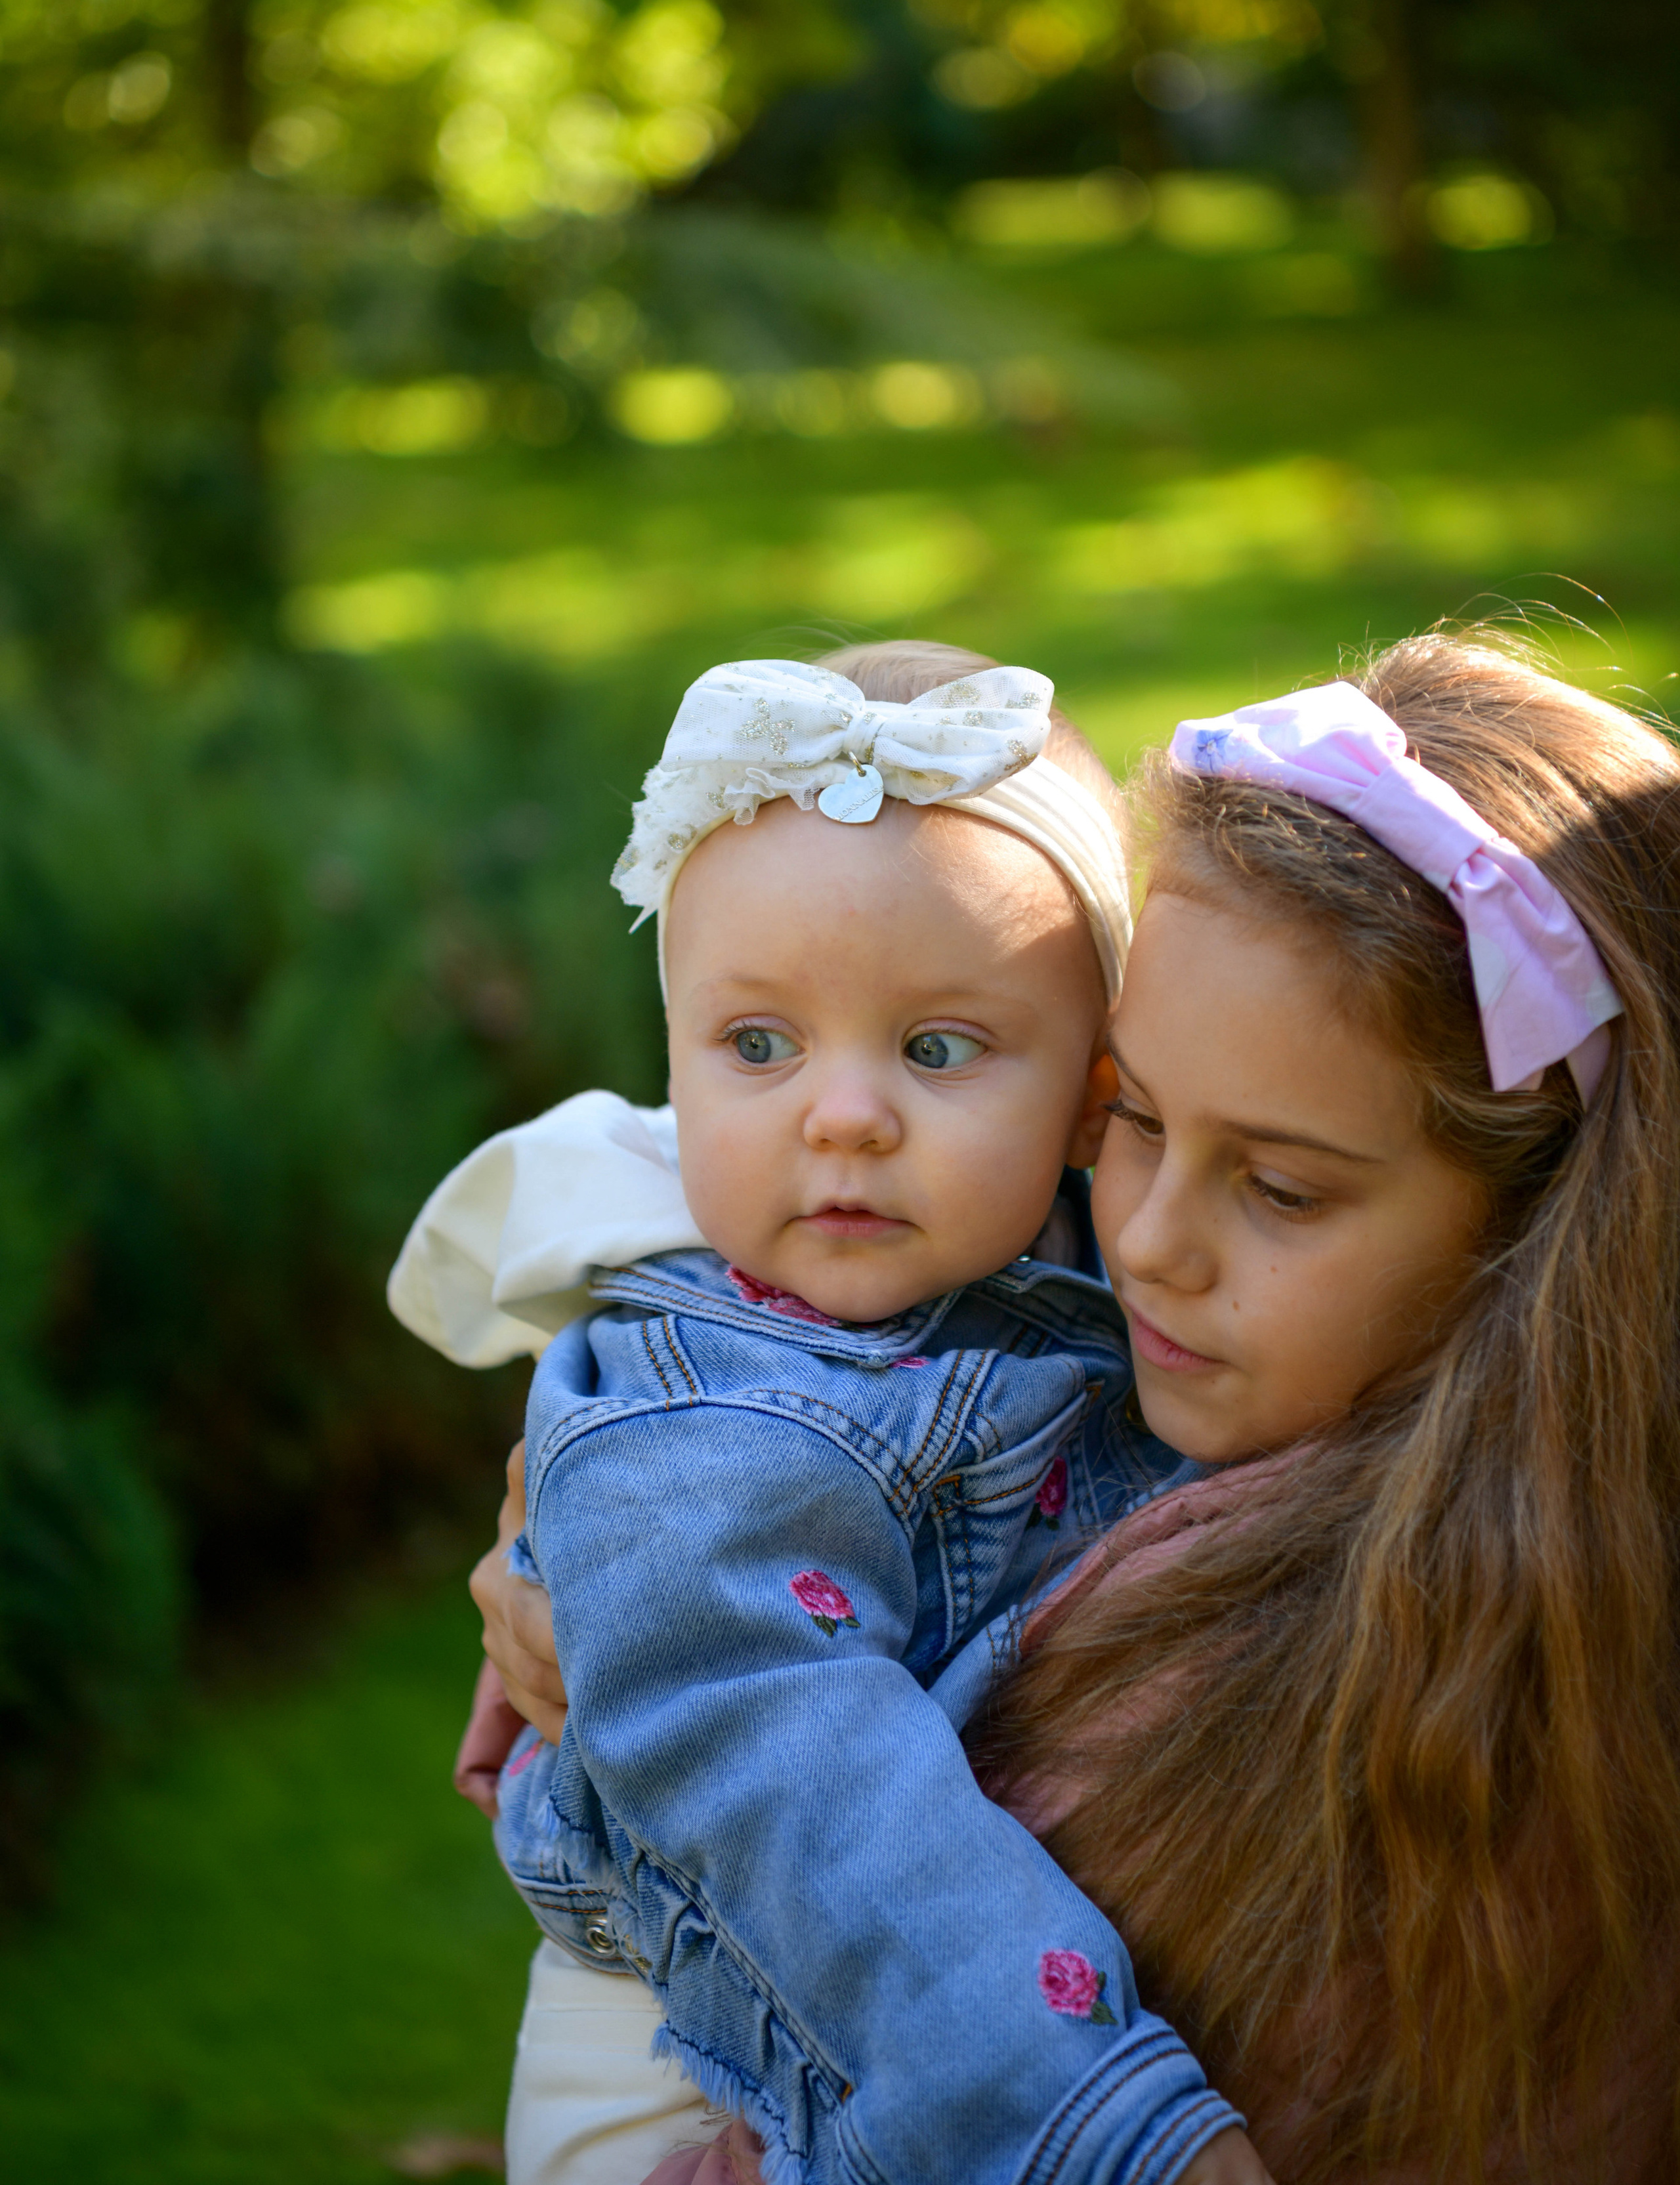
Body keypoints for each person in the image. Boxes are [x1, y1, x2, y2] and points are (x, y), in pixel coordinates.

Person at [474, 633, 1680, 2182]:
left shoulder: (1456, 1681)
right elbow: (795, 1781)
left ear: (1548, 1226)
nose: (1147, 1242)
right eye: (1136, 1125)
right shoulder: (774, 1374)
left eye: (1281, 1188)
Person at [391, 641, 1260, 2185]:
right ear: (673, 1067)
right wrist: (1115, 2138)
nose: (842, 1113)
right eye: (757, 1046)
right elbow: (821, 1810)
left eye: (935, 1048)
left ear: (1088, 1099)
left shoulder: (1047, 1264)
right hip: (690, 2032)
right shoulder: (704, 1431)